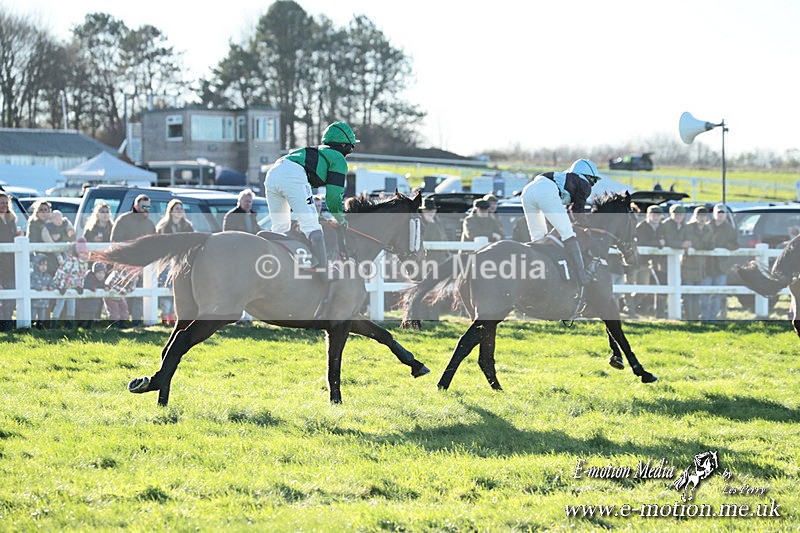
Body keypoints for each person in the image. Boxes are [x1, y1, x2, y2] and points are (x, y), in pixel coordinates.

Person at [263, 121, 356, 276]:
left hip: (273, 173)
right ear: (343, 145)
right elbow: (333, 198)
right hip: (292, 174)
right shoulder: (338, 158)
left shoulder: (316, 151)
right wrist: (341, 219)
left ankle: (279, 269)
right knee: (312, 226)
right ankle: (324, 271)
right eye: (351, 147)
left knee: (280, 228)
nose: (350, 151)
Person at [520, 158, 601, 285]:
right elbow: (577, 211)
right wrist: (587, 225)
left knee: (538, 238)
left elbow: (569, 210)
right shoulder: (583, 184)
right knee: (568, 234)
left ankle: (533, 273)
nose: (593, 184)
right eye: (594, 180)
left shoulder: (566, 178)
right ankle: (582, 276)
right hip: (545, 190)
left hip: (527, 191)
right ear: (589, 177)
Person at [110, 194, 156, 326]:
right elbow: (116, 241)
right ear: (136, 206)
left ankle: (137, 322)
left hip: (142, 265)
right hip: (124, 263)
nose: (146, 209)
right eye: (143, 206)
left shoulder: (150, 224)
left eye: (148, 207)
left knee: (139, 295)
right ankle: (119, 322)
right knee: (120, 293)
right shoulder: (123, 220)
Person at [155, 199, 194, 324]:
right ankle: (166, 316)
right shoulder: (163, 226)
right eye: (177, 208)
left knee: (179, 288)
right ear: (171, 211)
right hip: (167, 261)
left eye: (181, 209)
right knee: (167, 287)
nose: (179, 211)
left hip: (182, 261)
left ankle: (176, 316)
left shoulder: (187, 225)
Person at [703, 203, 739, 320]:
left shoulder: (730, 229)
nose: (720, 215)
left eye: (723, 213)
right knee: (705, 294)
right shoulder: (706, 226)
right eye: (718, 213)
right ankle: (704, 317)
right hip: (706, 266)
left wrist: (725, 246)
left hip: (721, 267)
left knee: (717, 294)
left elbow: (736, 245)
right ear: (714, 213)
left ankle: (713, 318)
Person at [630, 205, 665, 316]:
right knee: (629, 287)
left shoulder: (661, 227)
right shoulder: (641, 227)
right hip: (636, 262)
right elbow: (641, 242)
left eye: (658, 215)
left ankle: (632, 307)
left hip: (647, 263)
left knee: (643, 289)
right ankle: (629, 310)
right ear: (648, 215)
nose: (656, 217)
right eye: (654, 215)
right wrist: (658, 244)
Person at [681, 206, 714, 320]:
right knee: (688, 293)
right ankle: (688, 317)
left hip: (701, 266)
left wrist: (701, 246)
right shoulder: (688, 227)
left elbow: (711, 245)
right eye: (700, 216)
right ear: (695, 216)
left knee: (697, 294)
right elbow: (685, 242)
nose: (702, 218)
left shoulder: (708, 229)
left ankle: (695, 317)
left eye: (704, 216)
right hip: (688, 265)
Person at [53, 238, 91, 327]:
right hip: (63, 286)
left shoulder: (84, 263)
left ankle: (70, 326)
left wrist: (80, 286)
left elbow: (82, 276)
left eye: (85, 253)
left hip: (73, 287)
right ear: (77, 253)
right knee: (60, 305)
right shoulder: (71, 261)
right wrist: (61, 286)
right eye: (81, 252)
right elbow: (63, 273)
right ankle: (53, 324)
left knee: (72, 306)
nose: (84, 255)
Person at [0, 192, 21, 331]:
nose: (4, 205)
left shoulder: (12, 219)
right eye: (1, 203)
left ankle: (7, 325)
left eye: (6, 203)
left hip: (11, 263)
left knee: (11, 296)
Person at [419, 196, 450, 264]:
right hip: (427, 259)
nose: (431, 212)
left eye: (433, 210)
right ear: (423, 210)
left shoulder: (438, 221)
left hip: (441, 258)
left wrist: (447, 253)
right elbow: (426, 238)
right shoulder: (419, 223)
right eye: (427, 210)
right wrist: (430, 224)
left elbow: (444, 237)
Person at [76, 261, 107, 328]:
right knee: (84, 319)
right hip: (84, 305)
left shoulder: (102, 281)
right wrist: (92, 287)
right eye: (99, 272)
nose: (101, 275)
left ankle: (89, 331)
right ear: (94, 272)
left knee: (91, 319)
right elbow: (86, 284)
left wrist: (106, 287)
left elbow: (104, 286)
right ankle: (81, 331)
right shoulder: (88, 278)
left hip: (94, 306)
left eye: (103, 273)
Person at [30, 254, 55, 329]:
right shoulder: (32, 275)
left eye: (45, 265)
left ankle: (40, 329)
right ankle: (31, 328)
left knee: (42, 317)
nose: (44, 267)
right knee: (33, 316)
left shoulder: (48, 276)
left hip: (44, 302)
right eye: (41, 265)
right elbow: (30, 284)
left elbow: (52, 282)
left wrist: (51, 287)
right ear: (36, 265)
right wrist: (40, 287)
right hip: (34, 301)